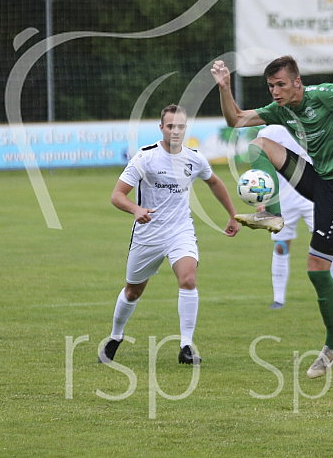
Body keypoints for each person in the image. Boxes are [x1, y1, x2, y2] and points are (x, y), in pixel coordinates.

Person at [211, 55, 333, 379]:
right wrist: (225, 88)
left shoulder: (322, 95)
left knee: (317, 268)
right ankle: (271, 212)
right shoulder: (280, 110)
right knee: (260, 144)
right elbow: (236, 120)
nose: (275, 91)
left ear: (297, 83)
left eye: (281, 85)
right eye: (271, 86)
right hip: (318, 181)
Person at [99, 104, 240, 366]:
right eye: (171, 126)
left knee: (188, 279)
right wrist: (136, 209)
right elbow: (117, 196)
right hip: (148, 234)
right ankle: (115, 337)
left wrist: (232, 214)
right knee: (133, 291)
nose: (176, 131)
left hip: (180, 231)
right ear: (161, 128)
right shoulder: (145, 158)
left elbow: (214, 182)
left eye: (181, 127)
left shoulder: (194, 158)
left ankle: (186, 347)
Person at [257, 125, 333, 311]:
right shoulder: (268, 132)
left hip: (314, 196)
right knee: (281, 246)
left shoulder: (310, 120)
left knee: (326, 244)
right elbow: (263, 167)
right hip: (283, 198)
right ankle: (279, 299)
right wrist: (264, 198)